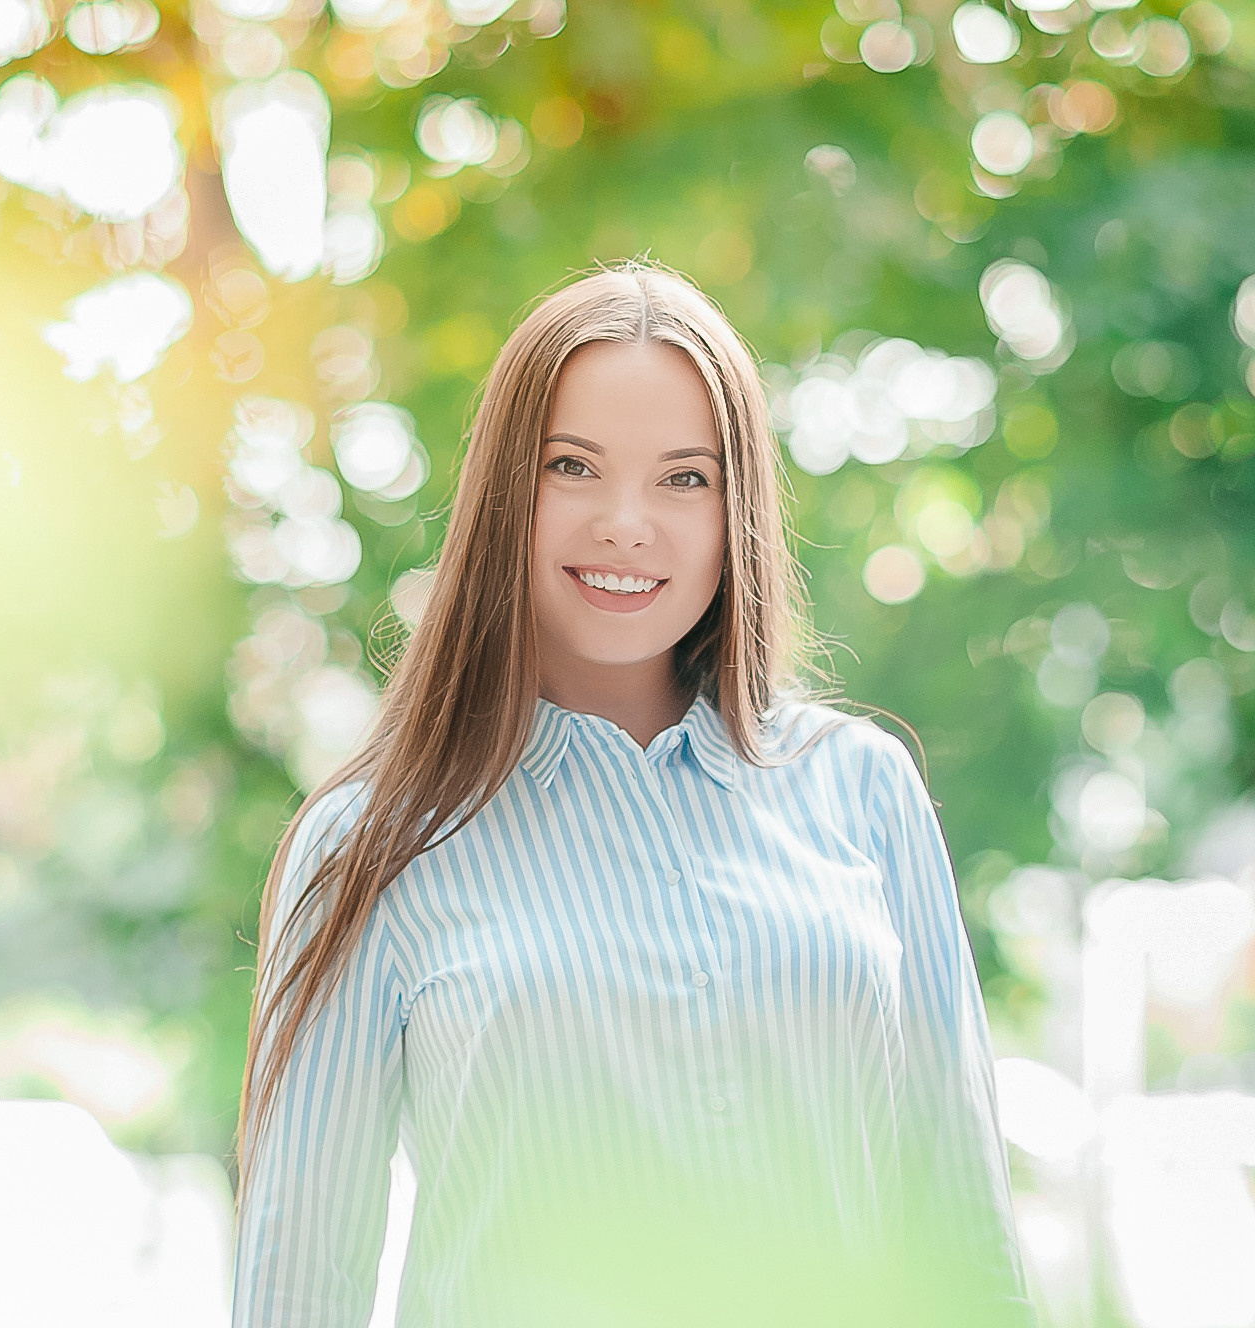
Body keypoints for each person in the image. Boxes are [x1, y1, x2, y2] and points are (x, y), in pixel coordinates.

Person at [229, 261, 1035, 1327]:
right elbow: (298, 1291)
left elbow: (961, 1242)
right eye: (572, 466)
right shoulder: (370, 844)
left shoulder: (861, 791)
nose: (625, 522)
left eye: (683, 477)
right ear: (504, 494)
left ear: (734, 509)